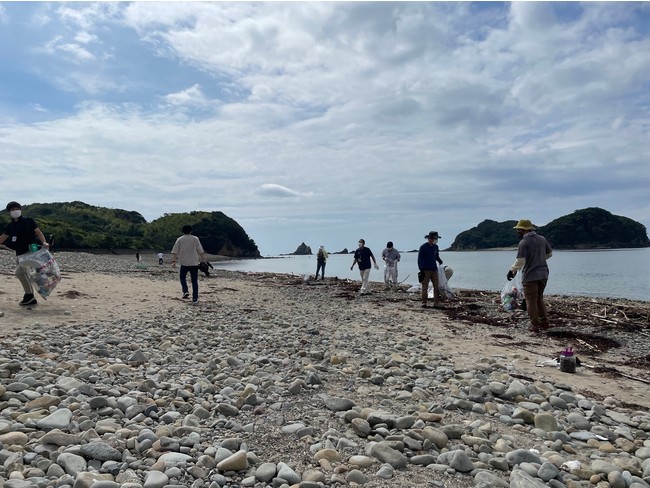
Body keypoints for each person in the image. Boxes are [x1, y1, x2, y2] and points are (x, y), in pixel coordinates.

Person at [506, 219, 553, 333]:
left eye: (518, 229)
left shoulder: (524, 242)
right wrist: (539, 259)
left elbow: (521, 261)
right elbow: (549, 254)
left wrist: (512, 270)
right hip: (543, 273)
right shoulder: (542, 239)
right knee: (539, 298)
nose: (517, 231)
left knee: (530, 301)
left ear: (524, 230)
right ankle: (545, 322)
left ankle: (534, 325)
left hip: (530, 275)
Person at [0, 201, 50, 306]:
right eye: (12, 210)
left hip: (31, 253)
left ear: (20, 209)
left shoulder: (29, 221)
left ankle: (29, 295)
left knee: (19, 273)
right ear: (9, 212)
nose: (15, 211)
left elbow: (38, 232)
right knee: (24, 274)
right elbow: (2, 238)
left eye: (16, 209)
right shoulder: (10, 226)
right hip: (19, 254)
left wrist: (44, 242)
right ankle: (29, 297)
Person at [171, 225, 207, 304]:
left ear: (183, 231)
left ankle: (185, 290)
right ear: (191, 231)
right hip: (194, 263)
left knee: (182, 277)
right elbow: (200, 251)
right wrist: (203, 260)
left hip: (184, 263)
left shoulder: (179, 239)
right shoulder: (195, 239)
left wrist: (174, 262)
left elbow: (175, 251)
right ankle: (195, 299)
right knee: (194, 281)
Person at [418, 231, 444, 308]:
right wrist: (421, 269)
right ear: (430, 238)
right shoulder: (423, 247)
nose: (436, 240)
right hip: (425, 270)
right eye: (435, 238)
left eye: (437, 238)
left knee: (436, 286)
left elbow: (436, 256)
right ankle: (424, 302)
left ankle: (436, 303)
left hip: (434, 269)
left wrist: (440, 261)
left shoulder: (436, 247)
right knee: (424, 286)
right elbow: (420, 259)